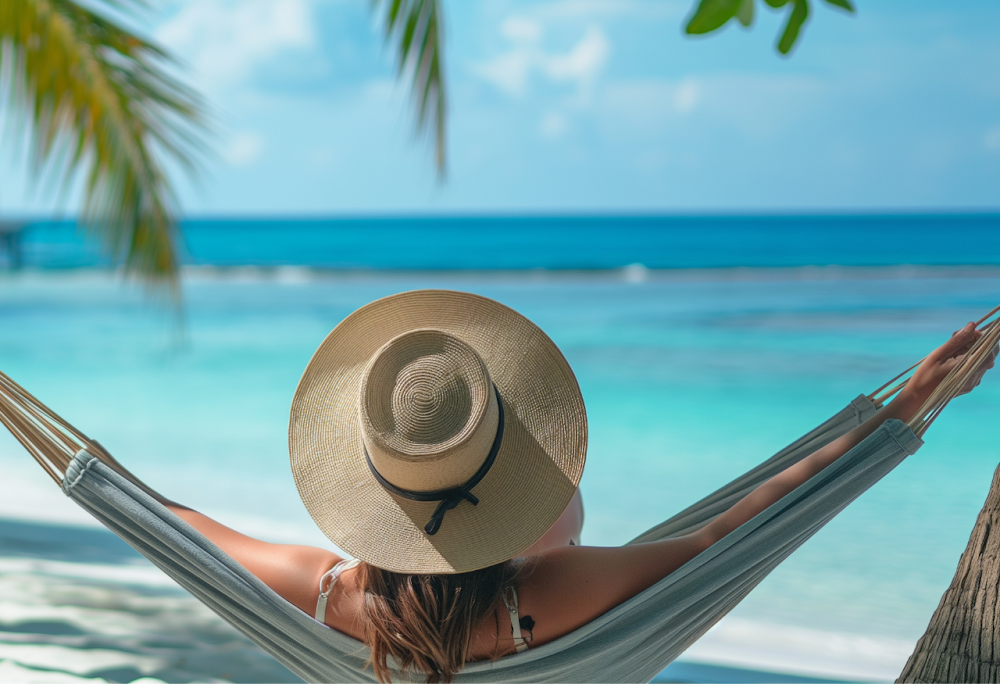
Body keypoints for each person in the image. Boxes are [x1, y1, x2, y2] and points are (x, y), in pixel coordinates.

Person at [162, 290, 991, 684]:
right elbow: (727, 536)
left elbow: (195, 535)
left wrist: (110, 489)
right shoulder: (546, 600)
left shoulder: (334, 593)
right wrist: (903, 410)